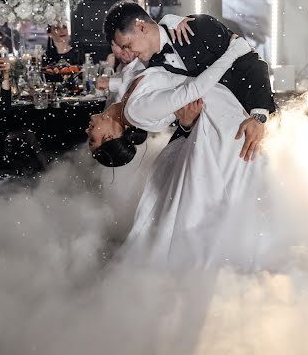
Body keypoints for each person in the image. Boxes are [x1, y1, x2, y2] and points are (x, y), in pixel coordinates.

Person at [87, 35, 272, 270]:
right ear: (110, 137)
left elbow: (165, 88)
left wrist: (171, 24)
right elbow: (194, 89)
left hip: (218, 107)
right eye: (92, 139)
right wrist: (233, 51)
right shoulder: (135, 111)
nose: (87, 130)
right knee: (212, 202)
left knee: (220, 197)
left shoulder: (129, 106)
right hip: (215, 108)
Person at [104, 0, 276, 161]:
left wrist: (258, 116)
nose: (128, 53)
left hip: (254, 124)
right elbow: (177, 114)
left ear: (141, 27)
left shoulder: (198, 27)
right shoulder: (154, 69)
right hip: (220, 146)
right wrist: (186, 124)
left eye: (127, 45)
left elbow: (253, 63)